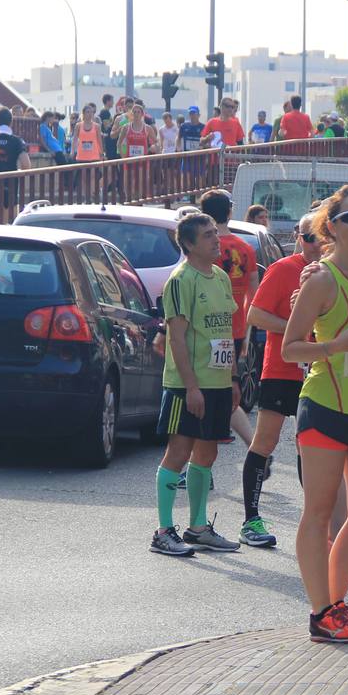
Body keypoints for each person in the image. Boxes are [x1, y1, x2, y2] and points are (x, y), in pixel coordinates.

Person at [281, 186, 348, 643]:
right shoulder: (320, 279)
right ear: (332, 227)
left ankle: (336, 605)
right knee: (318, 513)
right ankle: (320, 610)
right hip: (324, 405)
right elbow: (290, 347)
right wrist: (334, 347)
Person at [151, 213, 242, 557]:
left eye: (215, 234)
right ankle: (162, 531)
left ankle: (199, 527)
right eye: (207, 236)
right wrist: (191, 387)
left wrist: (232, 377)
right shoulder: (181, 279)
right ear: (188, 244)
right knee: (179, 453)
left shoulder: (219, 276)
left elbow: (225, 333)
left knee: (208, 453)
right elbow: (176, 337)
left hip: (218, 382)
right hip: (187, 385)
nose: (216, 240)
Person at [239, 212, 325, 547]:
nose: (313, 244)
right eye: (307, 237)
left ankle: (317, 522)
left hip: (318, 370)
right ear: (298, 238)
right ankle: (251, 520)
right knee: (265, 441)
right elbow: (255, 314)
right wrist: (295, 329)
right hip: (282, 369)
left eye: (319, 237)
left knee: (311, 447)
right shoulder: (283, 269)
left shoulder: (335, 273)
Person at [201, 190, 259, 447]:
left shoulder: (202, 247)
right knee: (224, 388)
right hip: (234, 330)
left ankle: (203, 457)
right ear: (230, 212)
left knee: (210, 391)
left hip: (206, 330)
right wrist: (245, 334)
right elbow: (253, 297)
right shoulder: (246, 249)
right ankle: (253, 445)